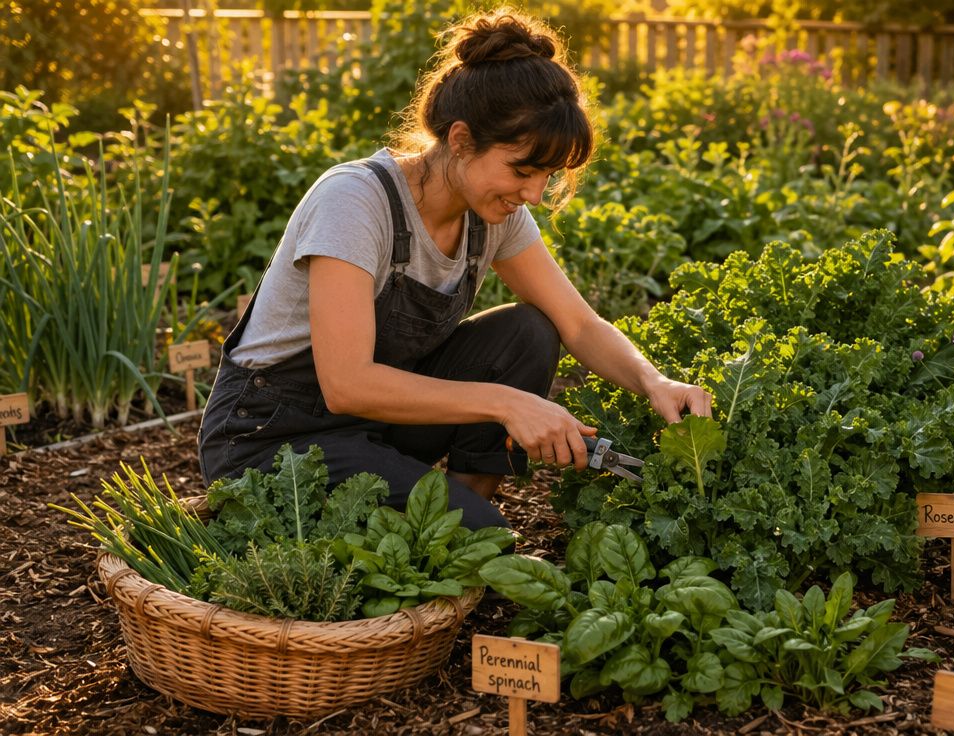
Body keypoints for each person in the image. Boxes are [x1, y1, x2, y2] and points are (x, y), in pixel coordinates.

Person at [197, 10, 712, 529]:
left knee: (528, 331)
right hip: (271, 438)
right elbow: (346, 384)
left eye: (547, 176)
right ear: (462, 140)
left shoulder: (495, 215)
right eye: (522, 170)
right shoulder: (355, 201)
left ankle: (463, 515)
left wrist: (654, 382)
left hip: (371, 427)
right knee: (479, 535)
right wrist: (506, 404)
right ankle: (464, 525)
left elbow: (578, 324)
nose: (533, 194)